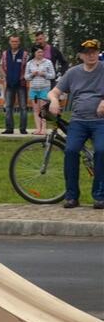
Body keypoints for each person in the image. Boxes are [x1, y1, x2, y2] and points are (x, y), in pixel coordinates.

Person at [46, 39, 103, 209]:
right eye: (87, 53)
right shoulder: (73, 73)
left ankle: (99, 196)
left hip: (100, 121)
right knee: (70, 151)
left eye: (94, 51)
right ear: (81, 56)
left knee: (101, 150)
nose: (91, 55)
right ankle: (72, 196)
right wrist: (54, 100)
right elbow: (53, 92)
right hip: (78, 120)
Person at [2, 34, 31, 135]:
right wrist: (5, 78)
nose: (14, 43)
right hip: (9, 84)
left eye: (16, 41)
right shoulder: (5, 54)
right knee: (9, 106)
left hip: (21, 84)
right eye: (12, 41)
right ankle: (9, 128)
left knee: (23, 107)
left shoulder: (25, 54)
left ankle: (23, 128)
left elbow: (28, 68)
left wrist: (25, 79)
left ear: (19, 42)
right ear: (9, 42)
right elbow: (2, 67)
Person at [25, 46, 55, 136]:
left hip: (44, 88)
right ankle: (38, 128)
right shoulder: (29, 63)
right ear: (34, 53)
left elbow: (53, 75)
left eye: (42, 52)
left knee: (43, 109)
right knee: (36, 110)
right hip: (34, 89)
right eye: (38, 52)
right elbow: (26, 77)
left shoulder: (48, 62)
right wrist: (32, 74)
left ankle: (44, 129)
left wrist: (44, 74)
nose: (41, 54)